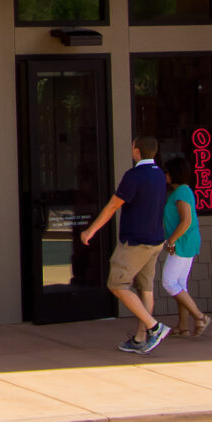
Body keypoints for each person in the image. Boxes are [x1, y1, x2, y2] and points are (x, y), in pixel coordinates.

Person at [80, 134, 171, 353]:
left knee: (117, 284)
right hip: (156, 240)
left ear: (137, 151)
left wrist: (90, 230)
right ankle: (141, 339)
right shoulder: (159, 174)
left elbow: (113, 206)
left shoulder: (134, 176)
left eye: (132, 146)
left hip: (136, 243)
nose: (131, 149)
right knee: (145, 289)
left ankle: (153, 327)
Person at [158, 153, 210, 338]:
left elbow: (186, 221)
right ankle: (183, 327)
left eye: (166, 172)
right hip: (185, 243)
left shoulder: (181, 193)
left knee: (169, 283)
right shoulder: (183, 191)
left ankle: (200, 316)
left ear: (173, 174)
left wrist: (171, 241)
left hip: (182, 243)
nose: (165, 175)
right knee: (180, 284)